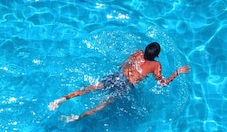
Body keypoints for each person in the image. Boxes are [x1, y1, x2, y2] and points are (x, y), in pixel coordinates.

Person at [49, 42, 190, 122]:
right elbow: (162, 83)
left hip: (117, 76)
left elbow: (124, 63)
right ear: (157, 55)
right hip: (126, 86)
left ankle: (59, 100)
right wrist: (177, 72)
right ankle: (76, 118)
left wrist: (122, 73)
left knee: (89, 88)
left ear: (145, 49)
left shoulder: (137, 53)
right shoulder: (156, 66)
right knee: (102, 105)